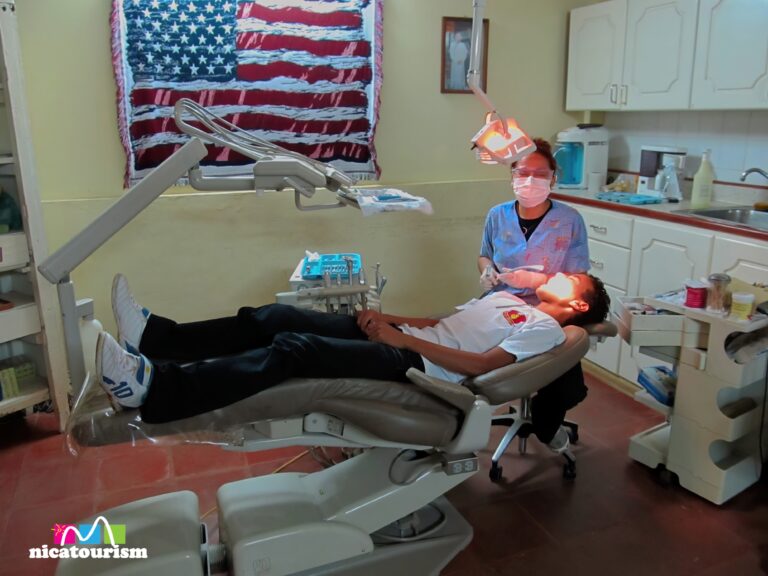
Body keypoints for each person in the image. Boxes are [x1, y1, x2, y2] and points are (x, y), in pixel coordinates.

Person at [98, 273, 610, 432]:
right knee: (274, 316)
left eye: (569, 279)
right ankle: (157, 341)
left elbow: (481, 368)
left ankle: (156, 390)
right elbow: (444, 322)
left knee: (292, 349)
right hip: (409, 340)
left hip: (423, 369)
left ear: (578, 302)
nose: (556, 273)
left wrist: (400, 341)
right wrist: (390, 319)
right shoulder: (506, 297)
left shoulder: (546, 330)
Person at [478, 138, 590, 304]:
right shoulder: (497, 215)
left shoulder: (569, 220)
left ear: (552, 179)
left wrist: (535, 280)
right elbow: (485, 256)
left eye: (540, 174)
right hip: (500, 300)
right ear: (513, 176)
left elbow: (579, 280)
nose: (530, 181)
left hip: (547, 304)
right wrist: (487, 270)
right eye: (523, 173)